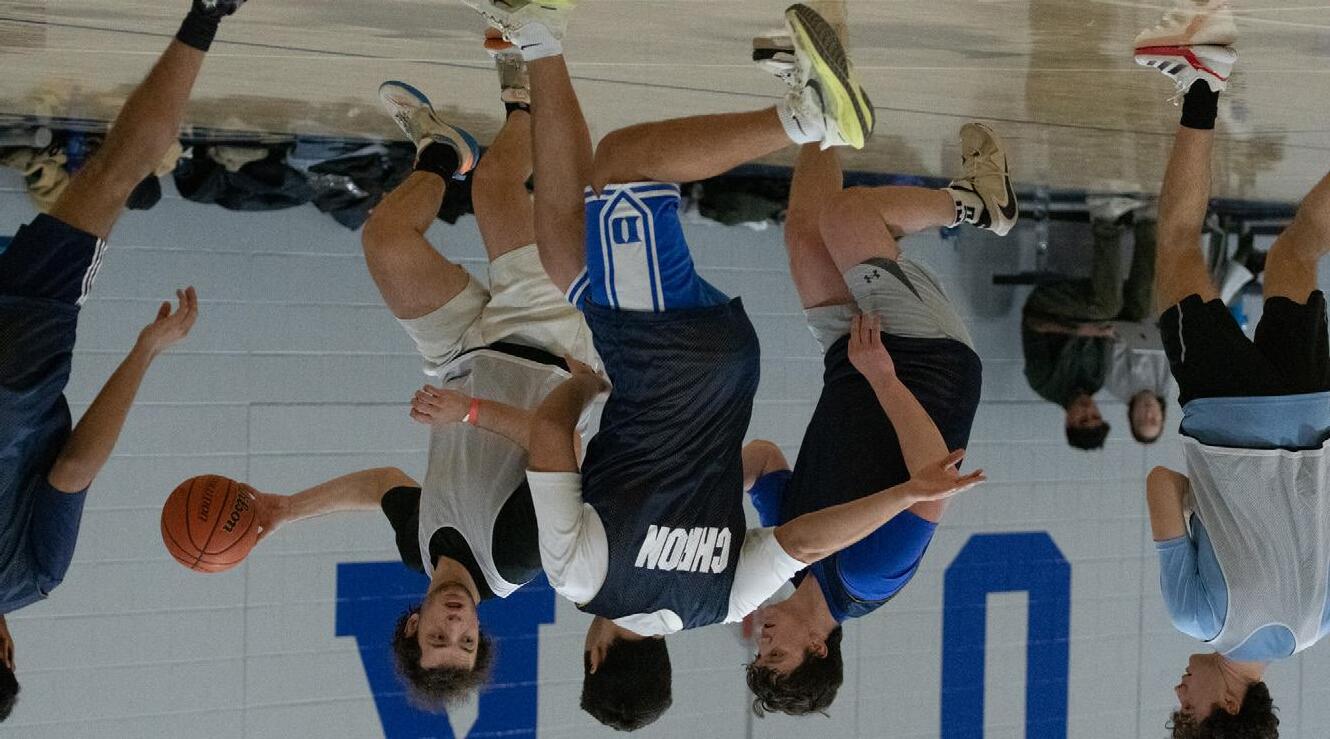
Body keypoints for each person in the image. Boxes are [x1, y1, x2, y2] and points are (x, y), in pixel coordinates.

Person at [462, 1, 981, 731]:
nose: (764, 642)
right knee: (625, 164)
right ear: (595, 656)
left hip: (728, 367)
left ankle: (540, 36)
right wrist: (580, 385)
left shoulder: (725, 601)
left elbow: (803, 538)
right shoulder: (583, 582)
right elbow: (551, 440)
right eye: (779, 655)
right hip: (660, 362)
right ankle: (806, 115)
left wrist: (905, 494)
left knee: (562, 250)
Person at [241, 43, 601, 711]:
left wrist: (288, 509)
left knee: (385, 242)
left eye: (438, 636)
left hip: (462, 356)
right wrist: (466, 413)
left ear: (413, 625)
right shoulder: (516, 559)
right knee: (497, 187)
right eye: (465, 640)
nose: (455, 624)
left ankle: (440, 153)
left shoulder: (420, 547)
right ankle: (524, 96)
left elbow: (380, 484)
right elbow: (557, 439)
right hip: (546, 348)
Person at [737, 33, 1013, 712]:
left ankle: (819, 98)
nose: (762, 639)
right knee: (849, 216)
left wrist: (707, 487)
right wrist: (885, 376)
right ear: (818, 647)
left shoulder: (793, 554)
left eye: (758, 652)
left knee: (804, 235)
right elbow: (935, 484)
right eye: (777, 652)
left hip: (853, 356)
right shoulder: (865, 574)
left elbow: (764, 458)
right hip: (921, 367)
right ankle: (979, 204)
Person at [0, 0, 236, 721]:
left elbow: (74, 468)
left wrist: (145, 351)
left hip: (15, 377)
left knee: (113, 175)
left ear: (8, 651)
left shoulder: (31, 578)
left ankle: (209, 12)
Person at [1138, 2, 1311, 736]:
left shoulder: (1314, 625)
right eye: (1190, 709)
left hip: (1311, 413)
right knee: (1178, 242)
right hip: (1229, 414)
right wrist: (1208, 507)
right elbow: (1161, 483)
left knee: (1298, 249)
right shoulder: (1198, 618)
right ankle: (1202, 79)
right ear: (1230, 707)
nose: (1179, 692)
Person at [1021, 208, 1162, 449]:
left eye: (1083, 419)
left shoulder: (1043, 382)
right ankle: (1147, 222)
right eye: (1095, 416)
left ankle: (1106, 217)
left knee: (1107, 306)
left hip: (1047, 307)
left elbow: (1034, 323)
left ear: (1068, 421)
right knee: (1140, 310)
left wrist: (1083, 331)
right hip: (1092, 314)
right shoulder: (1096, 380)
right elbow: (1107, 332)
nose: (1088, 410)